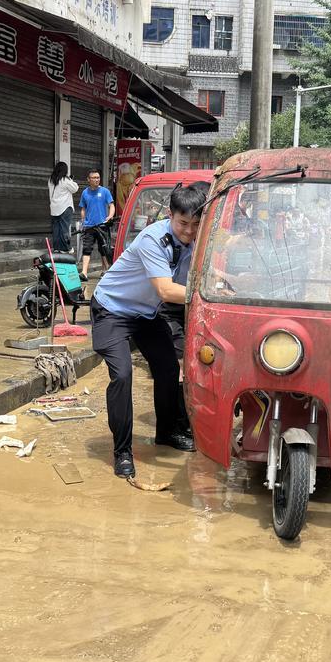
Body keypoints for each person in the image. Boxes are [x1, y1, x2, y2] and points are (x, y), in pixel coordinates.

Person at [91, 183, 204, 478]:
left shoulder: (195, 240)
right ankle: (122, 451)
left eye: (195, 225)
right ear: (170, 215)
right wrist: (210, 291)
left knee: (167, 368)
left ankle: (166, 432)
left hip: (145, 313)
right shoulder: (153, 239)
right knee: (123, 375)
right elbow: (166, 290)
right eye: (183, 223)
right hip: (112, 309)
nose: (189, 231)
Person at [79, 169, 115, 280]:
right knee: (87, 248)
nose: (96, 179)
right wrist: (83, 220)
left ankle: (106, 270)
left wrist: (109, 216)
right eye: (94, 178)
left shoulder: (105, 191)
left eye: (98, 177)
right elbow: (83, 208)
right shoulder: (85, 193)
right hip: (89, 226)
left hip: (102, 225)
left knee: (103, 249)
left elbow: (111, 205)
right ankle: (84, 272)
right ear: (88, 180)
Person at [48, 162, 79, 253]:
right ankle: (66, 248)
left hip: (54, 208)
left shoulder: (51, 179)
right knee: (64, 228)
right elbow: (75, 188)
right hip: (65, 207)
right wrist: (71, 180)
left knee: (56, 229)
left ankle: (57, 248)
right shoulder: (65, 180)